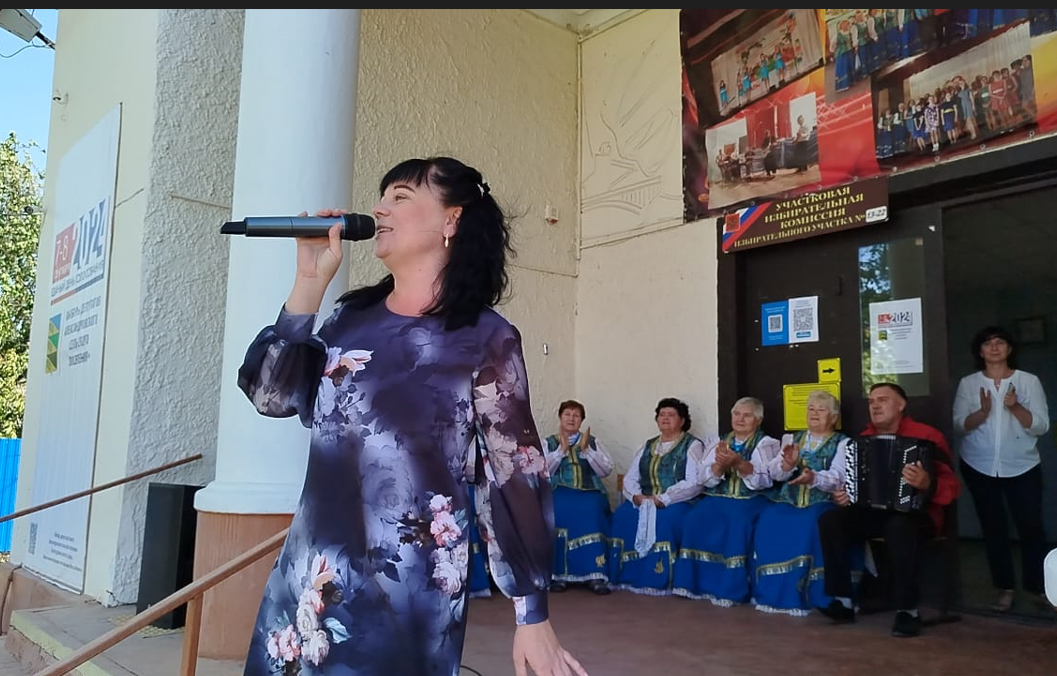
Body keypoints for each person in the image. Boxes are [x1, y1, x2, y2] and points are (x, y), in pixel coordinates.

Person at [236, 156, 587, 676]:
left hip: (406, 592)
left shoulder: (485, 337)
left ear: (452, 219)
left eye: (400, 197)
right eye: (381, 198)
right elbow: (272, 396)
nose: (380, 209)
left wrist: (531, 613)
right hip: (312, 579)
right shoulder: (348, 319)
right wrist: (308, 283)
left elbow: (513, 473)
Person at [816, 382, 960, 638]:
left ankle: (908, 611)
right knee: (831, 520)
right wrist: (847, 495)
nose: (875, 406)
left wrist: (927, 483)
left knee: (899, 525)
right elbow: (855, 484)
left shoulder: (928, 436)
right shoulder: (863, 439)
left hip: (920, 514)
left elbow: (952, 487)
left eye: (882, 400)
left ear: (901, 405)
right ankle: (843, 602)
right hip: (875, 513)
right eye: (871, 402)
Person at [952, 325, 1051, 612]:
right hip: (978, 464)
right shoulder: (969, 383)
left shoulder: (1028, 381)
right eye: (987, 343)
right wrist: (982, 412)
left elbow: (1041, 426)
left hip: (1023, 464)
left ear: (1010, 348)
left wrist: (1016, 407)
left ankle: (1037, 588)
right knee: (993, 528)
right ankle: (1004, 588)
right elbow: (959, 425)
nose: (994, 347)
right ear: (980, 351)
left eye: (1000, 342)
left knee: (1031, 527)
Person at [671, 397, 779, 606]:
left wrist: (739, 463)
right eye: (736, 414)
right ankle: (693, 584)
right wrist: (719, 467)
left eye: (747, 415)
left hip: (751, 499)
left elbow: (764, 480)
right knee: (694, 518)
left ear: (758, 420)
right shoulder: (717, 442)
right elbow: (704, 478)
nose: (740, 419)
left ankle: (730, 588)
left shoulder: (766, 443)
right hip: (717, 498)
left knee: (737, 523)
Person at [752, 390, 850, 616]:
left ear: (834, 417)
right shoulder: (792, 439)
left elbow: (838, 477)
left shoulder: (843, 443)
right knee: (769, 519)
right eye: (811, 409)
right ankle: (774, 592)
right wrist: (787, 465)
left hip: (822, 501)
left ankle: (808, 593)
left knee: (810, 524)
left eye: (821, 409)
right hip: (789, 500)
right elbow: (775, 473)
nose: (814, 413)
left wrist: (813, 478)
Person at [607, 397, 711, 595]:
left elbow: (694, 482)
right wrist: (636, 496)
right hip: (646, 500)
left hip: (678, 502)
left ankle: (659, 578)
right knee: (623, 515)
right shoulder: (648, 445)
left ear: (682, 420)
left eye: (671, 415)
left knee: (666, 520)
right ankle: (627, 576)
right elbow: (631, 477)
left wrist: (663, 499)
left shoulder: (692, 445)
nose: (665, 418)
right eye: (661, 414)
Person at [544, 399, 615, 595]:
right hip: (559, 491)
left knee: (591, 509)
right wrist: (561, 451)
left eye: (576, 415)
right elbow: (543, 472)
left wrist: (586, 450)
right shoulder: (548, 443)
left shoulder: (592, 442)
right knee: (556, 509)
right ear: (560, 417)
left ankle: (595, 574)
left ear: (582, 420)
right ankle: (558, 575)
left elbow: (605, 470)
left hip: (589, 491)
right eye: (567, 414)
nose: (571, 418)